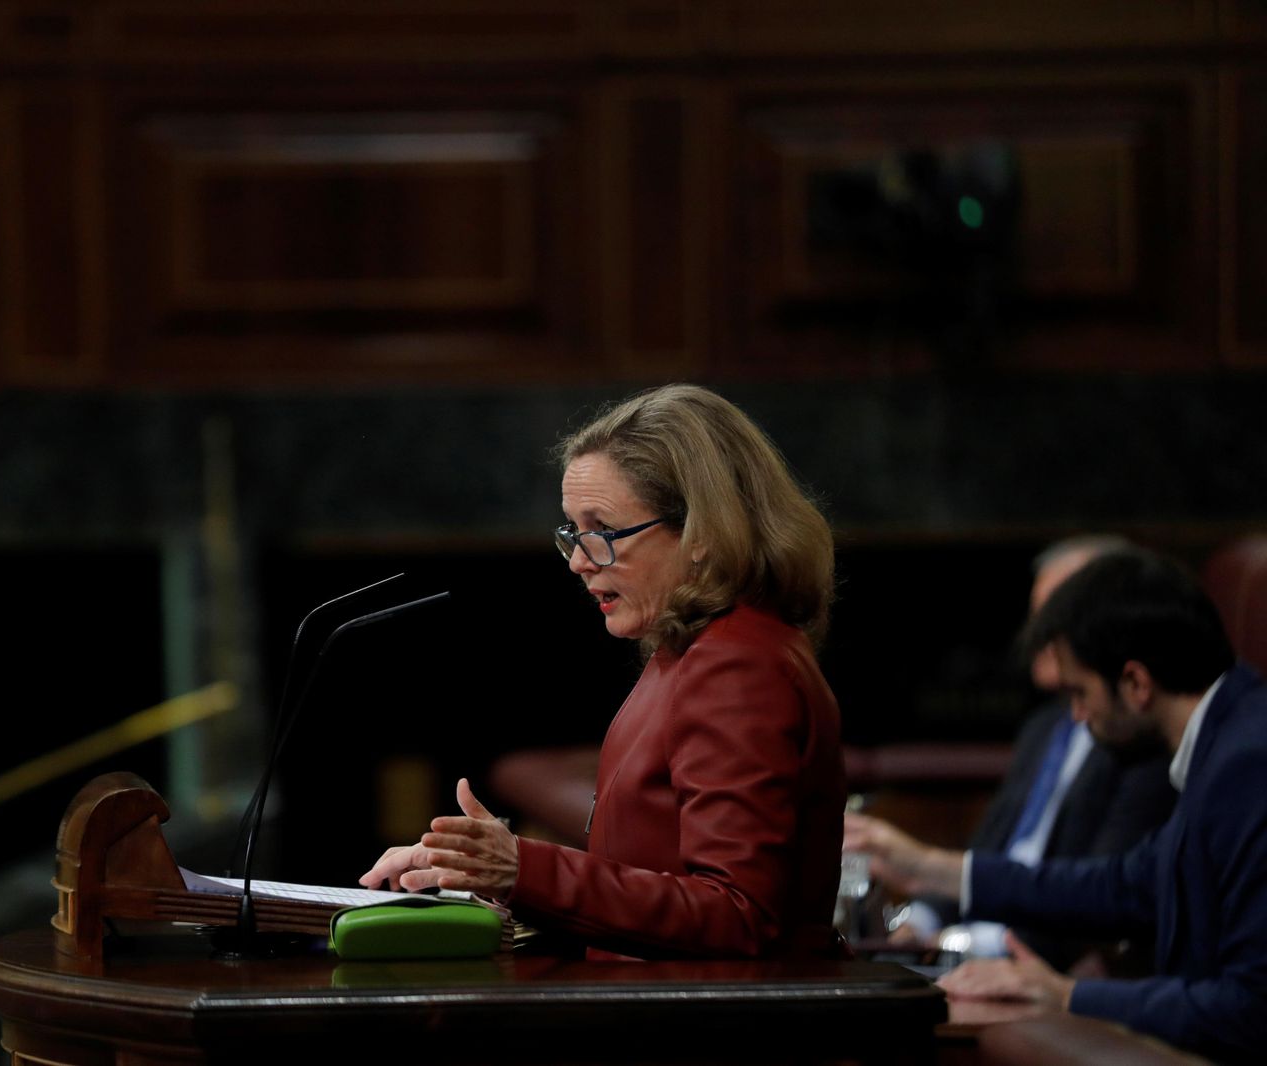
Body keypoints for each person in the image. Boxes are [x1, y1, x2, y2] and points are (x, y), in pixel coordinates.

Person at [359, 383, 846, 959]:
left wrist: (522, 869)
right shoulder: (696, 649)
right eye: (573, 531)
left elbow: (737, 914)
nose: (578, 561)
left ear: (702, 534)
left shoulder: (734, 664)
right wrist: (490, 877)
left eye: (604, 532)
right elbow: (651, 880)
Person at [851, 549, 1267, 1061]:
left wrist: (1065, 994)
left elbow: (1250, 1011)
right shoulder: (1228, 743)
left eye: (1080, 692)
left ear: (1136, 684)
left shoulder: (1248, 763)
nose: (1077, 715)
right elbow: (1123, 886)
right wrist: (930, 868)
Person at [863, 535, 1176, 970]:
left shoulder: (1140, 738)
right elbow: (989, 848)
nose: (1034, 636)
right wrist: (919, 921)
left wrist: (953, 936)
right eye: (1036, 615)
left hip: (1030, 960)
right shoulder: (1043, 726)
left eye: (1054, 617)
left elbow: (1103, 898)